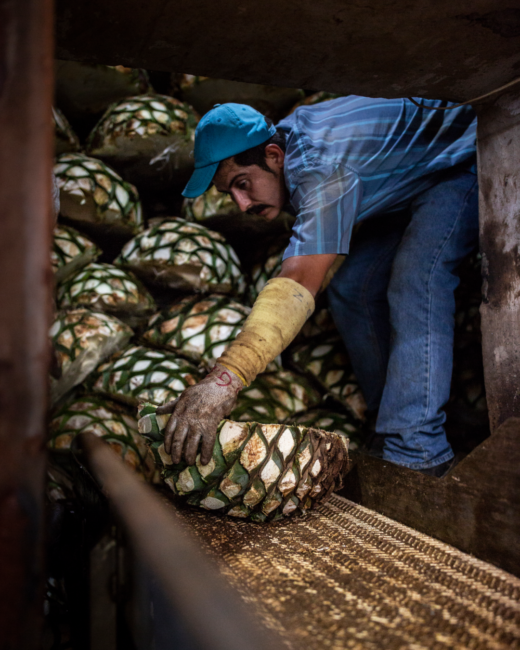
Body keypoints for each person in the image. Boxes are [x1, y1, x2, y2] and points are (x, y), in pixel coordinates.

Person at [157, 97, 478, 477]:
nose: (241, 204)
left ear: (274, 156)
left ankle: (418, 450)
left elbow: (298, 282)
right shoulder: (288, 144)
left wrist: (224, 382)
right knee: (350, 290)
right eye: (230, 193)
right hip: (410, 183)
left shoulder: (319, 168)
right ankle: (390, 425)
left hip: (463, 162)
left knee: (415, 282)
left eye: (243, 184)